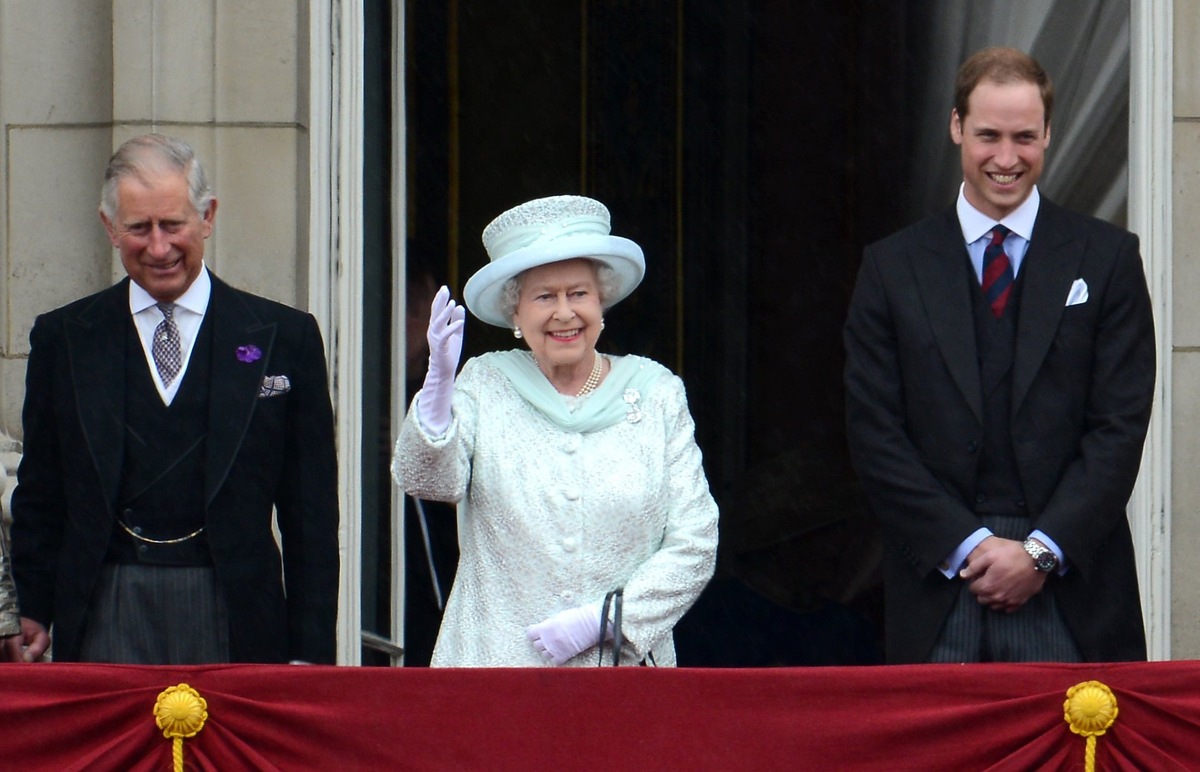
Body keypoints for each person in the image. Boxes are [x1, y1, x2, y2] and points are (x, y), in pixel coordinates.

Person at [844, 47, 1155, 664]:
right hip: (939, 585)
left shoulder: (1108, 258)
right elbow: (874, 431)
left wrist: (1040, 552)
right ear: (957, 126)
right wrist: (966, 546)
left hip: (1075, 589)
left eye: (1024, 138)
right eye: (988, 135)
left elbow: (1119, 427)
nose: (1006, 159)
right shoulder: (891, 267)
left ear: (1048, 135)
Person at [6, 134, 340, 664]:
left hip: (238, 614)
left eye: (173, 225)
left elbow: (311, 516)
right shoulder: (65, 337)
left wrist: (310, 652)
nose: (158, 248)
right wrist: (31, 607)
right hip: (104, 607)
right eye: (139, 228)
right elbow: (42, 490)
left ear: (207, 216)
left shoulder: (286, 337)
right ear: (110, 227)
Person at [391, 194, 719, 666]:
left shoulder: (657, 393)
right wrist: (438, 390)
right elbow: (427, 482)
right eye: (545, 297)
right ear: (516, 314)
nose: (564, 313)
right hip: (495, 671)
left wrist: (608, 621)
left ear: (601, 302)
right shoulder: (486, 384)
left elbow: (697, 539)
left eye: (578, 294)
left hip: (619, 679)